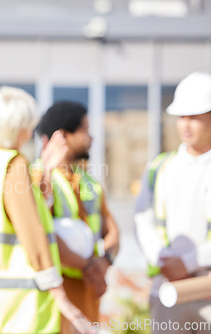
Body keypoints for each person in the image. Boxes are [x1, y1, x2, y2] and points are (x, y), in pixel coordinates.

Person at [0, 87, 95, 334]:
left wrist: (47, 171)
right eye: (29, 126)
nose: (30, 133)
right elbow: (34, 237)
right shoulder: (13, 164)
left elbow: (6, 214)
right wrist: (61, 298)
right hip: (15, 314)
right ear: (19, 128)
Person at [33, 101, 119, 333]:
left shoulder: (89, 182)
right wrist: (90, 266)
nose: (91, 138)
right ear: (63, 136)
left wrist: (104, 262)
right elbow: (41, 235)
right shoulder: (36, 177)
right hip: (56, 302)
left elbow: (112, 232)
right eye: (85, 130)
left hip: (88, 298)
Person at [134, 71, 211, 333]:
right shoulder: (160, 167)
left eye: (195, 117)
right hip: (167, 292)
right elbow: (142, 220)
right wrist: (164, 260)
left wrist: (188, 263)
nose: (186, 125)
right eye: (182, 117)